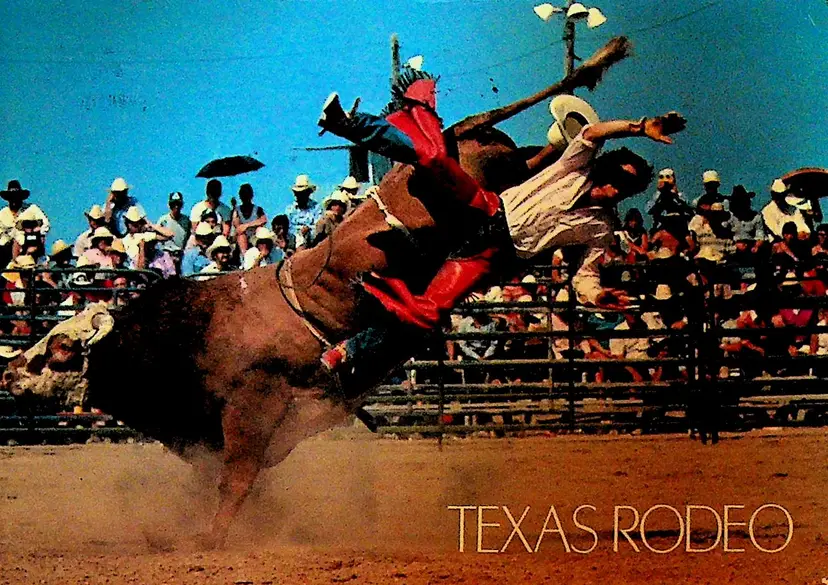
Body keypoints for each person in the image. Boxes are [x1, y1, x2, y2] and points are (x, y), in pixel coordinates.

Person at [317, 80, 685, 368]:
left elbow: (584, 275)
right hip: (487, 209)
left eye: (625, 187)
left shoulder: (602, 229)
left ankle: (349, 352)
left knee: (428, 312)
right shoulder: (575, 167)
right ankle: (347, 124)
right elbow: (590, 134)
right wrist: (639, 126)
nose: (615, 188)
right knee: (434, 159)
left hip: (495, 253)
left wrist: (598, 295)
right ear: (605, 169)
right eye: (617, 178)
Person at [0, 180, 50, 268]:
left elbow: (45, 224)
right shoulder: (2, 213)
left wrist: (37, 234)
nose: (14, 200)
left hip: (30, 248)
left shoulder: (32, 209)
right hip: (6, 252)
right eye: (11, 197)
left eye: (16, 197)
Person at [284, 174, 322, 249]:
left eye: (303, 193)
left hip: (311, 242)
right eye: (298, 193)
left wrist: (308, 230)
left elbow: (318, 226)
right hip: (293, 242)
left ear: (308, 193)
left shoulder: (316, 207)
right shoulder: (290, 209)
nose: (300, 196)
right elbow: (287, 228)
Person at [232, 183, 267, 255]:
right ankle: (244, 257)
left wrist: (247, 225)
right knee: (241, 236)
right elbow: (238, 228)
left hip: (255, 236)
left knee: (260, 230)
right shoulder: (237, 211)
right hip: (242, 239)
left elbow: (263, 220)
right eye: (243, 195)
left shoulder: (257, 209)